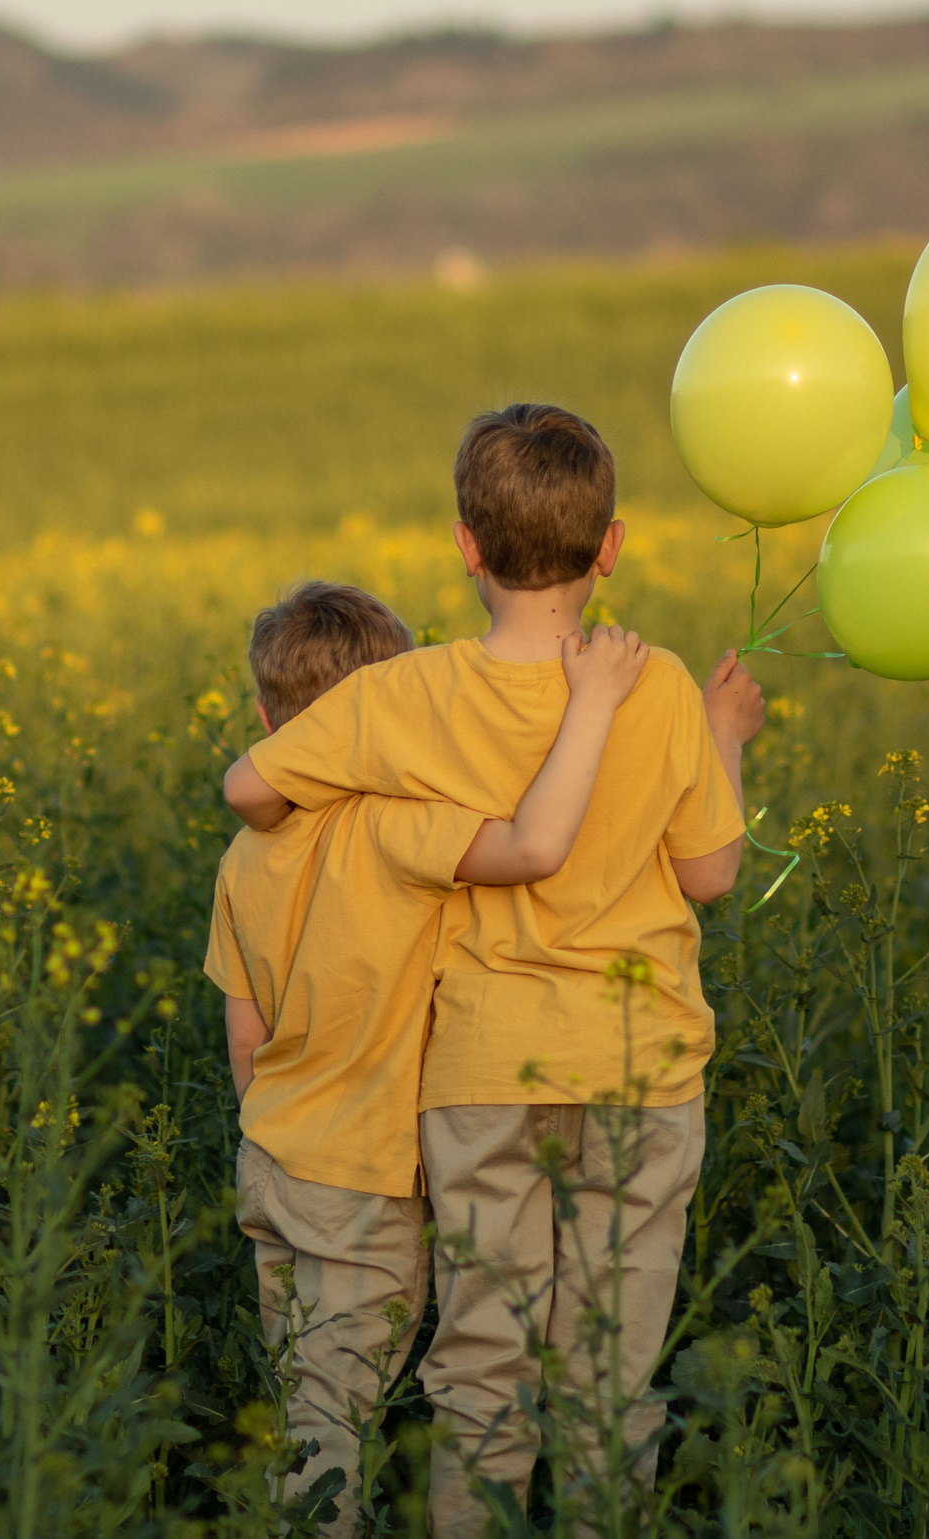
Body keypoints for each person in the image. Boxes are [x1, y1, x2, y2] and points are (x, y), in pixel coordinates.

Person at [224, 405, 765, 1537]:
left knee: (479, 1370)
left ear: (465, 546)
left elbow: (250, 791)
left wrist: (326, 791)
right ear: (609, 546)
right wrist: (722, 737)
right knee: (610, 1374)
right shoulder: (654, 682)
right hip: (641, 1066)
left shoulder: (398, 694)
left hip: (480, 1078)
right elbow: (711, 871)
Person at [203, 577, 653, 1536]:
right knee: (335, 1420)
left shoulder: (243, 857)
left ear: (264, 717)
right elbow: (535, 844)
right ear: (394, 714)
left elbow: (245, 1035)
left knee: (300, 1403)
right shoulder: (400, 830)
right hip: (367, 1179)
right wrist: (589, 708)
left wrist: (281, 1134)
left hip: (275, 1163)